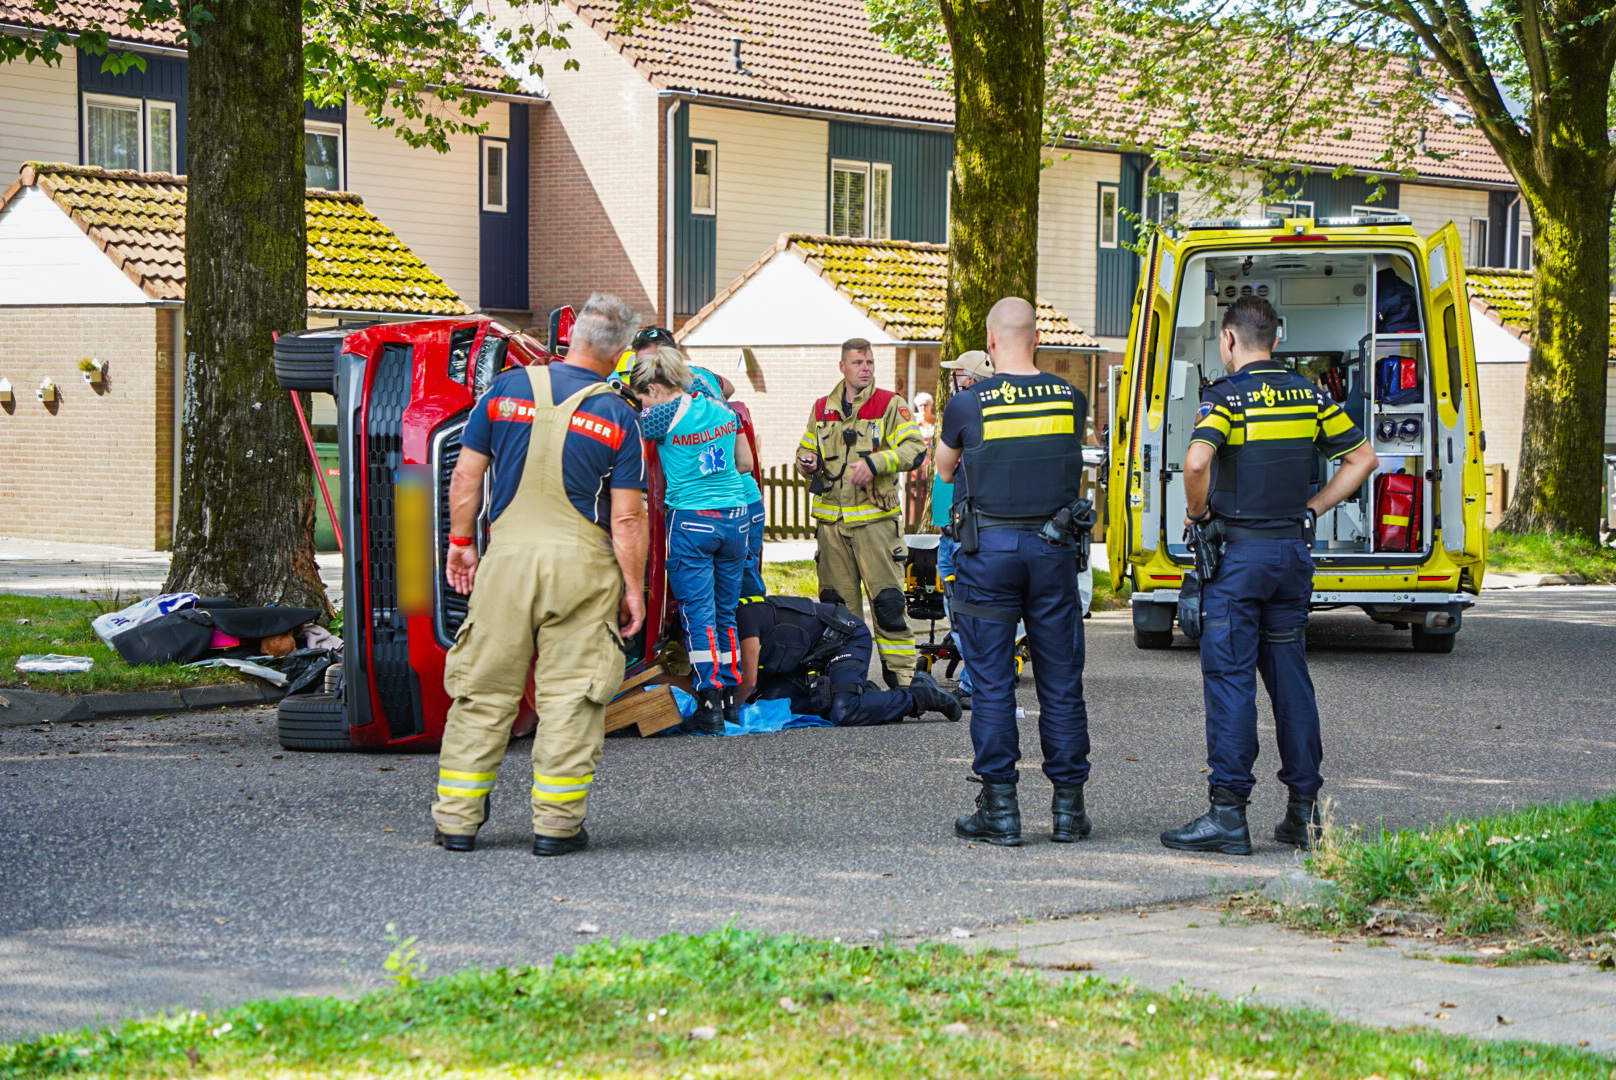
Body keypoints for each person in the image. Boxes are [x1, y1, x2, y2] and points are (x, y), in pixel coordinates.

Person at [1161, 295, 1378, 856]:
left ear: (1229, 339)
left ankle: (1228, 816)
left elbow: (1195, 462)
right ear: (1276, 339)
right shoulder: (1312, 396)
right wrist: (1312, 509)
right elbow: (1363, 459)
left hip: (1238, 561)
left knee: (1231, 683)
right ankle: (1303, 816)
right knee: (1290, 679)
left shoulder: (1227, 399)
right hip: (1290, 556)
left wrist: (1199, 513)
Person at [433, 292, 648, 857]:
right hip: (581, 571)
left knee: (483, 691)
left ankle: (456, 819)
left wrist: (461, 545)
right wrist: (634, 588)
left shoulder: (504, 391)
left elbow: (466, 477)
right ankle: (555, 826)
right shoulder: (617, 413)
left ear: (571, 331)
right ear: (620, 352)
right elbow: (627, 517)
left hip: (505, 564)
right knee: (571, 699)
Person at [934, 298, 1092, 848]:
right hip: (1053, 552)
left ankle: (1000, 809)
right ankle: (1068, 810)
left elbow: (944, 468)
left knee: (995, 684)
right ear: (1038, 336)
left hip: (989, 555)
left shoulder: (967, 404)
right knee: (1060, 682)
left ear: (990, 338)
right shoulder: (1071, 399)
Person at [633, 345, 755, 735]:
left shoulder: (658, 416)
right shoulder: (722, 410)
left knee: (696, 614)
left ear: (653, 389)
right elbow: (744, 464)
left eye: (641, 394)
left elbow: (630, 445)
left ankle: (708, 703)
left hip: (692, 520)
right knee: (725, 611)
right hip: (736, 519)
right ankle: (731, 700)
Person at [796, 338, 927, 686]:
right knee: (838, 611)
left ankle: (903, 680)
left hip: (875, 524)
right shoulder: (822, 407)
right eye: (858, 363)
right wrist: (806, 464)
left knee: (888, 605)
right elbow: (806, 449)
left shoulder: (889, 404)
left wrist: (876, 461)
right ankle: (847, 681)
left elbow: (915, 449)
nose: (865, 368)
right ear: (843, 367)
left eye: (869, 362)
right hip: (831, 526)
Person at [630, 326, 766, 604]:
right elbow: (729, 386)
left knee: (711, 604)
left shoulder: (671, 403)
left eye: (654, 360)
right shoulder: (702, 377)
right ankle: (743, 644)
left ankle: (733, 643)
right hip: (741, 503)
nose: (651, 368)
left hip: (709, 507)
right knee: (736, 599)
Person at [735, 597, 961, 725]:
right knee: (775, 703)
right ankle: (866, 696)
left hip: (845, 638)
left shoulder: (745, 618)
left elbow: (749, 682)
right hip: (811, 658)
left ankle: (920, 695)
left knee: (844, 711)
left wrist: (726, 711)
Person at [931, 349, 994, 711]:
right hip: (953, 529)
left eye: (956, 373)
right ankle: (977, 681)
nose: (951, 379)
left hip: (962, 533)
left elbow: (947, 469)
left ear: (970, 378)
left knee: (963, 610)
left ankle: (973, 684)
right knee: (964, 610)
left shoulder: (967, 414)